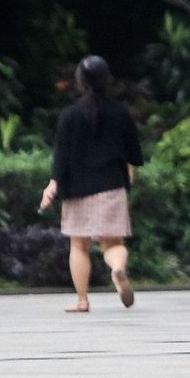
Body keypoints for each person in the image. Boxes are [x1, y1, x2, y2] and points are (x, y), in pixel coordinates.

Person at [39, 55, 144, 312]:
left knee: (79, 245)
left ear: (79, 81)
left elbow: (60, 155)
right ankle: (117, 270)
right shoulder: (120, 112)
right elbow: (135, 153)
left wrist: (53, 183)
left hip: (77, 189)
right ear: (106, 79)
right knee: (113, 243)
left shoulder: (69, 115)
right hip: (112, 185)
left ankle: (82, 300)